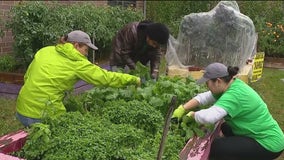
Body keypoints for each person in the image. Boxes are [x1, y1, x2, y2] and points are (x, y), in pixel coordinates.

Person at [16, 30, 141, 127]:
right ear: (76, 45)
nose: (87, 54)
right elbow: (106, 78)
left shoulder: (45, 51)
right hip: (43, 115)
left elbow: (27, 76)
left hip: (21, 109)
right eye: (86, 50)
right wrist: (133, 79)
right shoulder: (77, 63)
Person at [172, 62, 284, 160]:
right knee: (225, 127)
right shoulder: (229, 85)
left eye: (207, 83)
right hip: (256, 133)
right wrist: (183, 108)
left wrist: (192, 115)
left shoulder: (234, 95)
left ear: (218, 81)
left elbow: (209, 117)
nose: (207, 86)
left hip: (268, 144)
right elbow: (203, 97)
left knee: (215, 147)